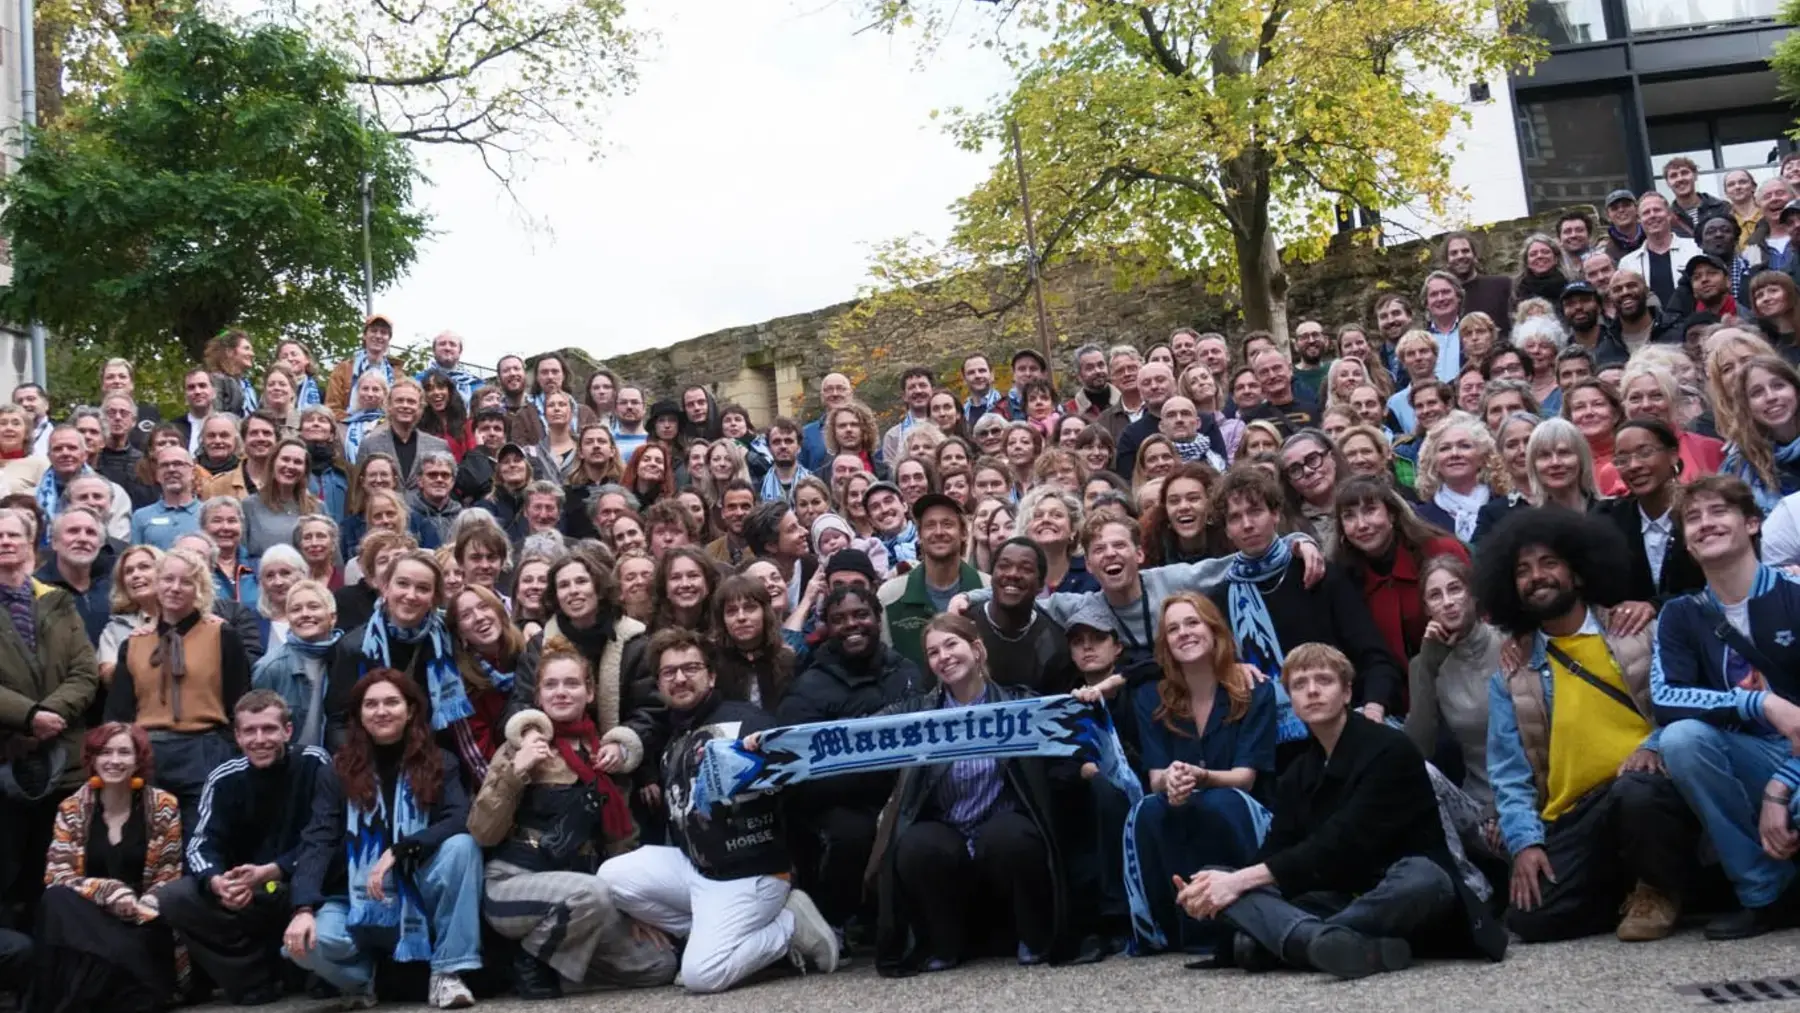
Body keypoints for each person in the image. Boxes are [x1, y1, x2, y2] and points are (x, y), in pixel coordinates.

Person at [1177, 644, 1506, 980]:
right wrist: (1213, 888)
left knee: (1424, 876)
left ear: (1348, 692)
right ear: (1291, 699)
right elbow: (1277, 849)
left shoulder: (1390, 750)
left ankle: (1297, 940)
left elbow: (1341, 843)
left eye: (1324, 680)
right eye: (1300, 685)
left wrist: (1238, 884)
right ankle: (1337, 944)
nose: (1313, 691)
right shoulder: (1298, 772)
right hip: (1338, 897)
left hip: (1405, 894)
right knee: (1214, 874)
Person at [1476, 508, 1695, 942]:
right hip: (1574, 815)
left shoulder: (1634, 632)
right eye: (1522, 570)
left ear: (1578, 574)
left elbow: (1680, 706)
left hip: (1643, 786)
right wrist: (1526, 844)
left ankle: (1657, 888)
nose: (1536, 576)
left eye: (1548, 563)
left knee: (1638, 791)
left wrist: (1653, 746)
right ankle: (1626, 887)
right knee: (1531, 921)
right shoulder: (1512, 672)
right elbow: (1509, 774)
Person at [468, 648, 678, 998]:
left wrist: (635, 909)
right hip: (512, 884)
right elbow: (482, 831)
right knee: (591, 892)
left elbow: (620, 844)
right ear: (538, 695)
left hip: (581, 897)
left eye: (571, 683)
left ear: (590, 692)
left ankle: (549, 975)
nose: (561, 691)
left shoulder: (604, 754)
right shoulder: (518, 747)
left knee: (659, 964)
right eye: (550, 685)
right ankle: (528, 959)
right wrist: (517, 769)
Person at [870, 614, 1076, 971]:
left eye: (952, 645)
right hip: (947, 829)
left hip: (1000, 829)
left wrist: (1087, 699)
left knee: (1010, 837)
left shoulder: (1017, 703)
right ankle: (944, 945)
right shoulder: (917, 713)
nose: (944, 657)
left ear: (977, 649)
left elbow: (1068, 728)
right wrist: (773, 743)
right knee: (917, 845)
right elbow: (856, 735)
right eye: (933, 652)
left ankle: (1033, 936)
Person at [1644, 475, 1800, 941]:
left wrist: (1781, 786)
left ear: (1752, 523)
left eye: (1718, 512)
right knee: (1681, 740)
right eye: (1693, 518)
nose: (1705, 524)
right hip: (1748, 757)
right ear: (1687, 545)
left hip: (1793, 766)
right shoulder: (1681, 614)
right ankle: (1764, 893)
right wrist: (1760, 702)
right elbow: (1666, 697)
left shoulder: (1794, 596)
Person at [282, 670, 482, 1010]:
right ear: (359, 714)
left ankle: (447, 973)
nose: (381, 711)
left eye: (392, 702)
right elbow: (318, 838)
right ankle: (365, 982)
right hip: (355, 898)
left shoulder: (439, 762)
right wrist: (303, 907)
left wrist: (401, 849)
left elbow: (458, 819)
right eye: (371, 704)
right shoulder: (337, 770)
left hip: (419, 890)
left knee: (463, 848)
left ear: (411, 710)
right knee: (301, 946)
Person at [157, 691, 329, 1005]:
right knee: (173, 897)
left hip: (302, 883)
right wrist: (217, 882)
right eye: (249, 731)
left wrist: (275, 869)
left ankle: (305, 971)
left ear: (287, 731)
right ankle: (253, 981)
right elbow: (200, 845)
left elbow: (326, 836)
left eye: (269, 729)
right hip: (247, 892)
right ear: (237, 735)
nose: (259, 739)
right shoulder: (223, 778)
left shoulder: (314, 763)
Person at [775, 585, 919, 931]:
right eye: (839, 619)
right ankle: (836, 921)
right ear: (825, 627)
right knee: (852, 833)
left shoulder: (908, 672)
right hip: (840, 800)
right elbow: (797, 766)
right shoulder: (808, 686)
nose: (852, 625)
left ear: (877, 618)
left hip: (905, 794)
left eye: (860, 615)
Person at [1209, 466, 1403, 720]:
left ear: (1275, 514)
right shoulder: (1221, 598)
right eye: (1235, 518)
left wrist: (1373, 707)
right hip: (1267, 735)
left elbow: (1374, 655)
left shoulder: (1318, 574)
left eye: (1255, 511)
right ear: (1226, 530)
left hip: (1343, 718)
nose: (1247, 525)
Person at [33, 723, 184, 1013]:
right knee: (55, 899)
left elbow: (169, 874)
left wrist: (140, 906)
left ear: (138, 760)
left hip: (141, 918)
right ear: (92, 759)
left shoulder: (164, 806)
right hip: (87, 919)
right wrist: (109, 892)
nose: (114, 760)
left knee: (128, 938)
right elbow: (58, 875)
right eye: (105, 752)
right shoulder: (71, 808)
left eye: (124, 752)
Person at [106, 545, 249, 835]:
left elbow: (240, 702)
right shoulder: (134, 643)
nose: (175, 588)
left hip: (205, 749)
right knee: (151, 842)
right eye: (168, 579)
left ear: (200, 589)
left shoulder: (221, 635)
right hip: (150, 751)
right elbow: (119, 712)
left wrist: (227, 749)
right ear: (156, 584)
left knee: (201, 839)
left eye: (186, 582)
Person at [1332, 476, 1468, 665]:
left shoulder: (1439, 551)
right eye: (1349, 516)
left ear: (1392, 515)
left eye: (1370, 510)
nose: (1361, 524)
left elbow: (1482, 611)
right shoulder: (1345, 576)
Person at [1405, 556, 1500, 808]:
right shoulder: (1424, 665)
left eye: (1455, 589)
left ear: (1472, 594)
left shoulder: (1510, 642)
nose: (1447, 603)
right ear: (1427, 609)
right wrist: (1428, 666)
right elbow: (1418, 750)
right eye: (1435, 596)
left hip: (1531, 796)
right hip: (1478, 801)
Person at [1597, 419, 1707, 604]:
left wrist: (1655, 606)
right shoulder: (1609, 518)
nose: (1634, 466)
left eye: (1645, 453)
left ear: (1673, 455)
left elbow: (1720, 585)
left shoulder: (1703, 512)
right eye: (1622, 459)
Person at [878, 493, 989, 668]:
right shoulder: (890, 596)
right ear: (920, 536)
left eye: (947, 524)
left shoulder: (987, 588)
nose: (938, 532)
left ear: (963, 534)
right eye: (930, 525)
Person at [1723, 355, 1800, 512]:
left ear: (1796, 391)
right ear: (1747, 406)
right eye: (1757, 393)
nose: (1771, 397)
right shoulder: (1737, 466)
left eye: (1778, 386)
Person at [1618, 192, 1700, 307]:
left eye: (1657, 210)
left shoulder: (1695, 249)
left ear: (1669, 214)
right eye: (1646, 213)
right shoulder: (1628, 263)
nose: (1652, 215)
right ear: (1639, 220)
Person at [324, 313, 405, 419]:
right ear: (364, 335)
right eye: (373, 331)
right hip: (348, 429)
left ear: (389, 339)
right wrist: (357, 422)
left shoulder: (397, 375)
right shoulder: (343, 369)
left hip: (386, 428)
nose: (378, 336)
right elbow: (331, 409)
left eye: (384, 332)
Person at [129, 445, 203, 550]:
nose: (171, 469)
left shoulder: (208, 513)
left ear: (193, 472)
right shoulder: (141, 517)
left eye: (178, 464)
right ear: (157, 475)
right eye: (164, 465)